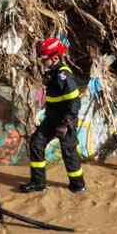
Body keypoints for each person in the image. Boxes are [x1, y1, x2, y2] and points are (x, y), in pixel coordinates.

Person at [24, 37, 86, 194]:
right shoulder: (52, 72)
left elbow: (74, 102)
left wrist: (66, 124)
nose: (42, 62)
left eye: (44, 59)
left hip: (65, 120)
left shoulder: (64, 75)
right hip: (51, 119)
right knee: (36, 143)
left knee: (68, 152)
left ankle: (78, 186)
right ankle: (38, 183)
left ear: (55, 58)